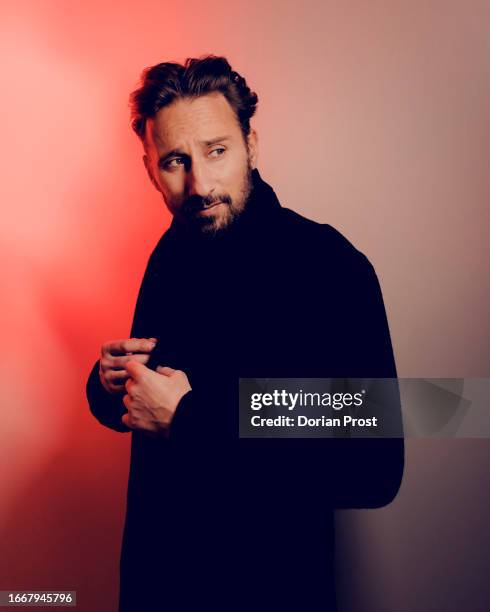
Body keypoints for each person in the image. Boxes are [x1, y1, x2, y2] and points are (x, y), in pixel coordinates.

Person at [86, 55, 404, 612]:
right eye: (175, 162)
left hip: (271, 591)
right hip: (157, 587)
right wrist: (110, 384)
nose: (200, 184)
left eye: (217, 151)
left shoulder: (329, 266)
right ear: (149, 168)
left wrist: (190, 419)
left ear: (251, 145)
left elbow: (373, 468)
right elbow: (155, 407)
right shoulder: (172, 252)